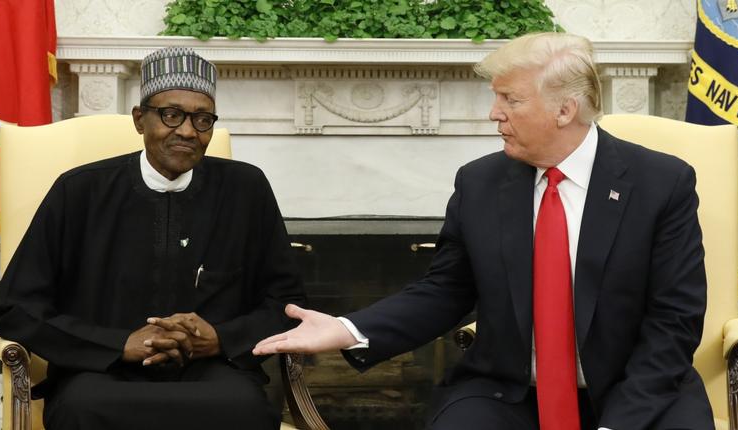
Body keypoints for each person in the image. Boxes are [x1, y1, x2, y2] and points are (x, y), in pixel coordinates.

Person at [253, 32, 713, 430]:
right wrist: (348, 328)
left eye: (510, 99)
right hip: (509, 392)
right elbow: (445, 290)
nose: (494, 113)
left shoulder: (661, 184)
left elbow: (674, 322)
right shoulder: (480, 183)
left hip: (637, 388)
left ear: (565, 109)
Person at [0, 46, 304, 429]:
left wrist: (220, 338)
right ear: (140, 119)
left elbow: (287, 303)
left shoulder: (245, 189)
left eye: (202, 119)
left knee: (245, 409)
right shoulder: (80, 191)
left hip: (211, 372)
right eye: (171, 115)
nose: (187, 131)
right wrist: (118, 344)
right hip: (100, 371)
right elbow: (16, 309)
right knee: (82, 408)